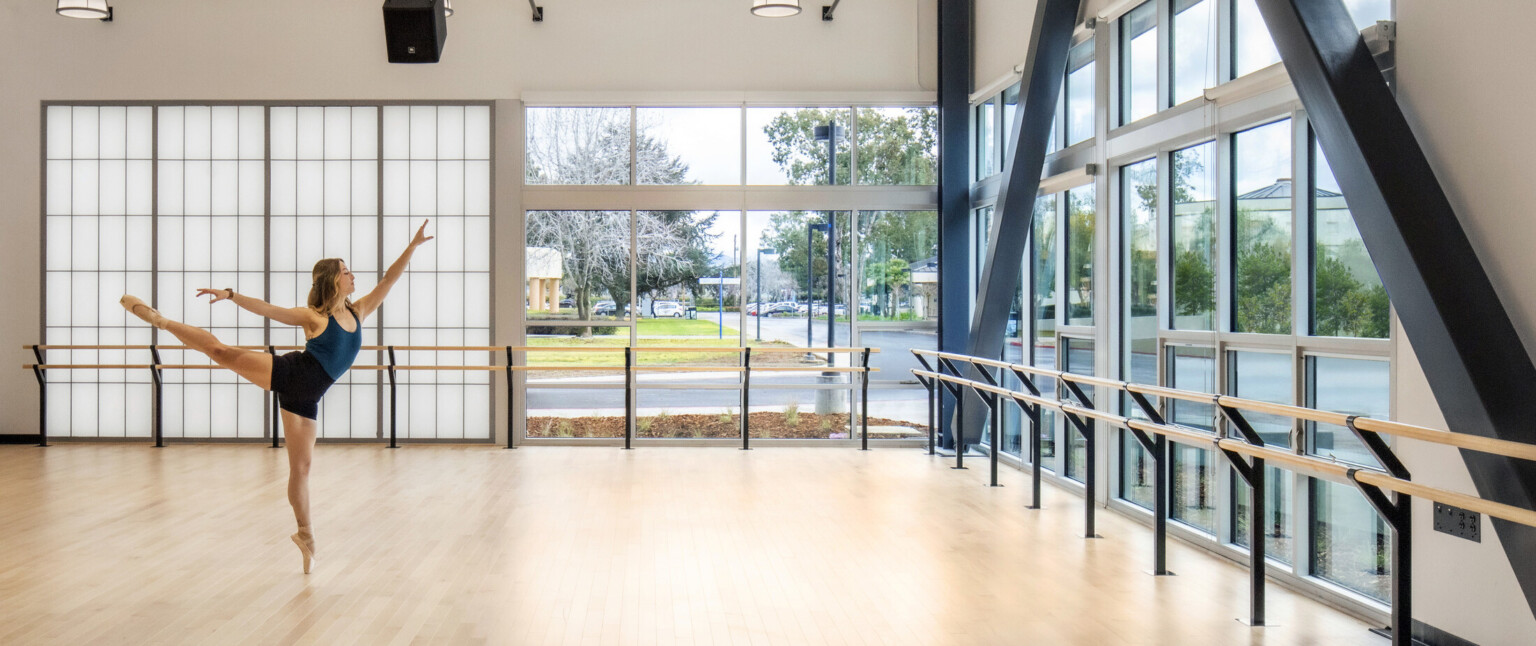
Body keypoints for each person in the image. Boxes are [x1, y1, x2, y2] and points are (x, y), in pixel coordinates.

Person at [120, 220, 434, 574]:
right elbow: (268, 310)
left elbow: (389, 279)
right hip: (290, 372)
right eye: (346, 272)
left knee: (301, 469)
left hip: (307, 399)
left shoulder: (359, 312)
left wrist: (412, 246)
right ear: (334, 279)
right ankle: (160, 320)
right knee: (222, 353)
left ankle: (306, 535)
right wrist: (232, 295)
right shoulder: (314, 317)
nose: (353, 276)